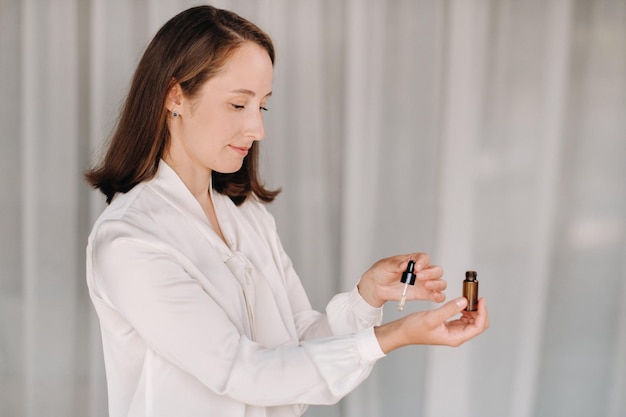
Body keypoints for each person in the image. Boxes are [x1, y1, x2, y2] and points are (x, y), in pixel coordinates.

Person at [84, 5, 489, 417]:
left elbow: (296, 347)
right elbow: (244, 373)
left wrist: (366, 298)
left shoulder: (249, 218)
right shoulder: (130, 241)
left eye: (262, 106)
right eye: (238, 105)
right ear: (175, 96)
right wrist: (395, 335)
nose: (257, 129)